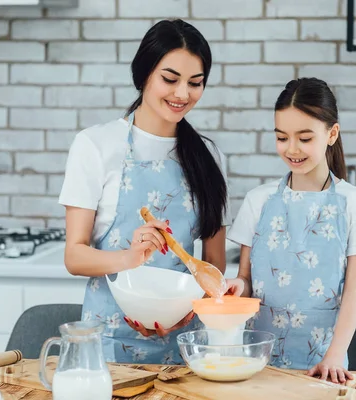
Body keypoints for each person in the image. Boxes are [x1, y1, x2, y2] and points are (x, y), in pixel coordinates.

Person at [58, 19, 230, 364]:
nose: (182, 94)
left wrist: (185, 313)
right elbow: (74, 257)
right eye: (170, 79)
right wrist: (129, 258)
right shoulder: (95, 145)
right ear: (143, 75)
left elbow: (213, 265)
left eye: (195, 83)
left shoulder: (209, 157)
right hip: (107, 346)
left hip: (184, 346)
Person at [225, 78, 356, 383]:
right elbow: (246, 281)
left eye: (304, 138)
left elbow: (353, 292)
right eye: (282, 138)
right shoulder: (257, 201)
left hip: (323, 367)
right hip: (256, 365)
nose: (292, 149)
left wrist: (334, 357)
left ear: (332, 134)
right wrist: (236, 287)